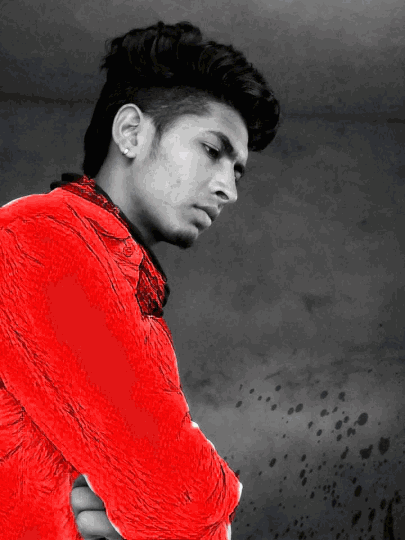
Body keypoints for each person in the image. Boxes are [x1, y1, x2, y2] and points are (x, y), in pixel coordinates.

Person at [0, 20, 279, 539]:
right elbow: (181, 501)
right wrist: (193, 503)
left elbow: (170, 503)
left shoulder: (126, 279)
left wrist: (154, 505)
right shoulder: (40, 239)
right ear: (131, 132)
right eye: (212, 151)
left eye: (237, 170)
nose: (229, 189)